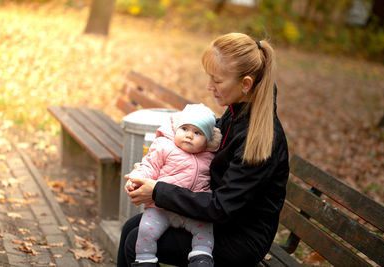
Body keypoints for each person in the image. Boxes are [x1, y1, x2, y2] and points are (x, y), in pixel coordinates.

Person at [117, 32, 289, 267]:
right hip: (216, 217)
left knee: (135, 240)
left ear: (246, 84)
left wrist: (158, 191)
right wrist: (154, 170)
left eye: (217, 81)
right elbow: (197, 147)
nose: (210, 87)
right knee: (131, 228)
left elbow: (222, 207)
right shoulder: (236, 111)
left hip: (239, 237)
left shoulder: (260, 138)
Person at [125, 103, 222, 267]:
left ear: (207, 140)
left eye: (197, 132)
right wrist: (135, 179)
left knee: (205, 230)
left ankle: (201, 257)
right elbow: (149, 166)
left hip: (193, 211)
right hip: (162, 208)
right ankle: (145, 259)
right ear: (176, 128)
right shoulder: (164, 146)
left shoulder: (210, 156)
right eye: (184, 129)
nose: (189, 135)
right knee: (146, 229)